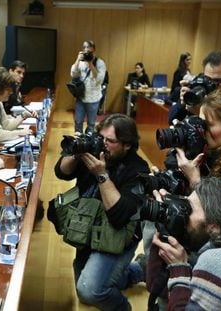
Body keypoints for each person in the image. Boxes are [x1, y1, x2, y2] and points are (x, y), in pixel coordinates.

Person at [54, 114, 150, 310]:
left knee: (89, 290)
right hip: (89, 230)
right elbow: (61, 172)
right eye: (101, 138)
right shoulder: (96, 152)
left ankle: (123, 307)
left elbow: (119, 216)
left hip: (117, 237)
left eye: (111, 141)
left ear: (127, 145)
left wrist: (102, 175)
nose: (103, 144)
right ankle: (139, 270)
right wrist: (77, 151)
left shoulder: (138, 169)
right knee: (85, 289)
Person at [150, 177, 221, 310]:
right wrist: (166, 225)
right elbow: (157, 287)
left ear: (214, 226)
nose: (181, 210)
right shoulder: (214, 245)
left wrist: (178, 268)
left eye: (189, 208)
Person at [168, 50, 221, 124]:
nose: (210, 85)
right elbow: (171, 119)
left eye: (218, 81)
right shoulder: (201, 86)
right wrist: (183, 104)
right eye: (207, 79)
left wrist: (202, 115)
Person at [71, 40, 106, 134]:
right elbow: (73, 74)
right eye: (85, 51)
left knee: (91, 124)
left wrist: (91, 64)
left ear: (94, 51)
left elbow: (99, 80)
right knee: (78, 122)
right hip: (81, 97)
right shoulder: (81, 62)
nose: (87, 53)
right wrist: (77, 60)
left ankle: (88, 143)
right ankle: (78, 143)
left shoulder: (100, 63)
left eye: (89, 52)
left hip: (93, 99)